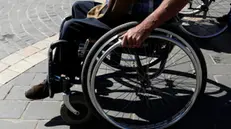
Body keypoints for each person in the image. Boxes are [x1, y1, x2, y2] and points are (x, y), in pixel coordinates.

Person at [25, 0, 188, 100]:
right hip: (129, 13)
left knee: (72, 26)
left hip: (139, 23)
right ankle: (77, 70)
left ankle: (56, 80)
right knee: (79, 7)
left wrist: (143, 28)